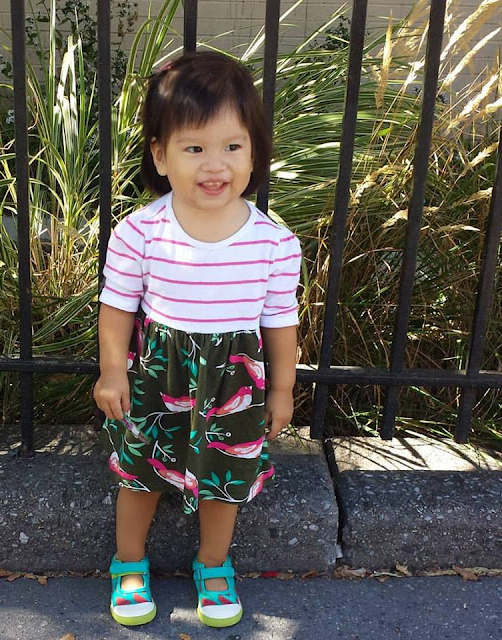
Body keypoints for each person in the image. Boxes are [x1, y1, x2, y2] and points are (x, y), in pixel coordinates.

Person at [93, 50, 301, 628]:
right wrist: (112, 371)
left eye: (232, 146)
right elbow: (117, 305)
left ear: (255, 153)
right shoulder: (140, 231)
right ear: (160, 156)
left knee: (223, 483)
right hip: (157, 376)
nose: (215, 165)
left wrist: (282, 390)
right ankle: (128, 563)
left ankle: (213, 565)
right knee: (141, 475)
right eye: (194, 148)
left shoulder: (273, 242)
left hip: (236, 382)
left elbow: (281, 321)